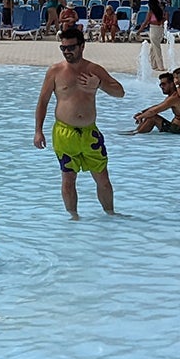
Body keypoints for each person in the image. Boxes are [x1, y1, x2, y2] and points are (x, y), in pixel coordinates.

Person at [34, 26, 125, 218]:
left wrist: (99, 84)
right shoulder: (55, 71)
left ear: (82, 46)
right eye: (63, 48)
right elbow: (43, 101)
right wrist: (38, 131)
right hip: (64, 133)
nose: (67, 51)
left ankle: (111, 214)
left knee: (103, 179)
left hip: (90, 134)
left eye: (71, 47)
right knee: (68, 179)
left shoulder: (94, 70)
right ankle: (73, 218)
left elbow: (120, 92)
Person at [145, 0, 167, 71]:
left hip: (153, 29)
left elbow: (146, 21)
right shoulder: (160, 10)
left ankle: (160, 66)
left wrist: (139, 31)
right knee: (152, 48)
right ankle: (153, 65)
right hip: (160, 29)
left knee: (156, 48)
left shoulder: (151, 12)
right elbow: (164, 18)